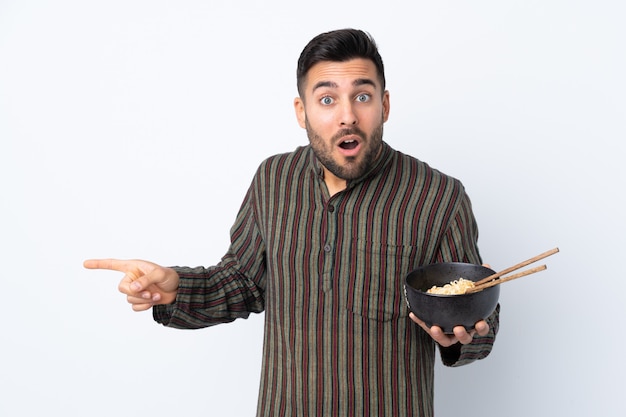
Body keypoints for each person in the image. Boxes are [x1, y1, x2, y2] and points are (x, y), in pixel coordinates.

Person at [84, 28, 499, 417]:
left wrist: (462, 335)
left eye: (363, 97)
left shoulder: (439, 196)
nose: (347, 117)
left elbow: (480, 311)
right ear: (301, 111)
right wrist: (175, 287)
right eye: (326, 99)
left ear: (385, 105)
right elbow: (243, 282)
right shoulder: (273, 180)